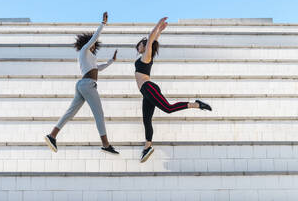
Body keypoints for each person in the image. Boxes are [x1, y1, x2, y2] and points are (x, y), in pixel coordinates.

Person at [135, 17, 212, 163]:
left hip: (148, 88)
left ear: (144, 46)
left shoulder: (146, 55)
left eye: (139, 44)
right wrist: (160, 32)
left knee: (168, 108)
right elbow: (153, 40)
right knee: (146, 119)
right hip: (146, 92)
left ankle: (196, 104)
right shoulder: (145, 54)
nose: (137, 47)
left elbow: (151, 40)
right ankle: (148, 147)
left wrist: (157, 26)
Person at [45, 12, 119, 154]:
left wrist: (111, 61)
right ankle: (106, 144)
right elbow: (95, 37)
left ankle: (52, 135)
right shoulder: (84, 50)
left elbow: (98, 69)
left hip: (83, 85)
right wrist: (103, 24)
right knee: (99, 113)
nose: (93, 45)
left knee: (71, 112)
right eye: (92, 43)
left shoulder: (90, 57)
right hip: (88, 85)